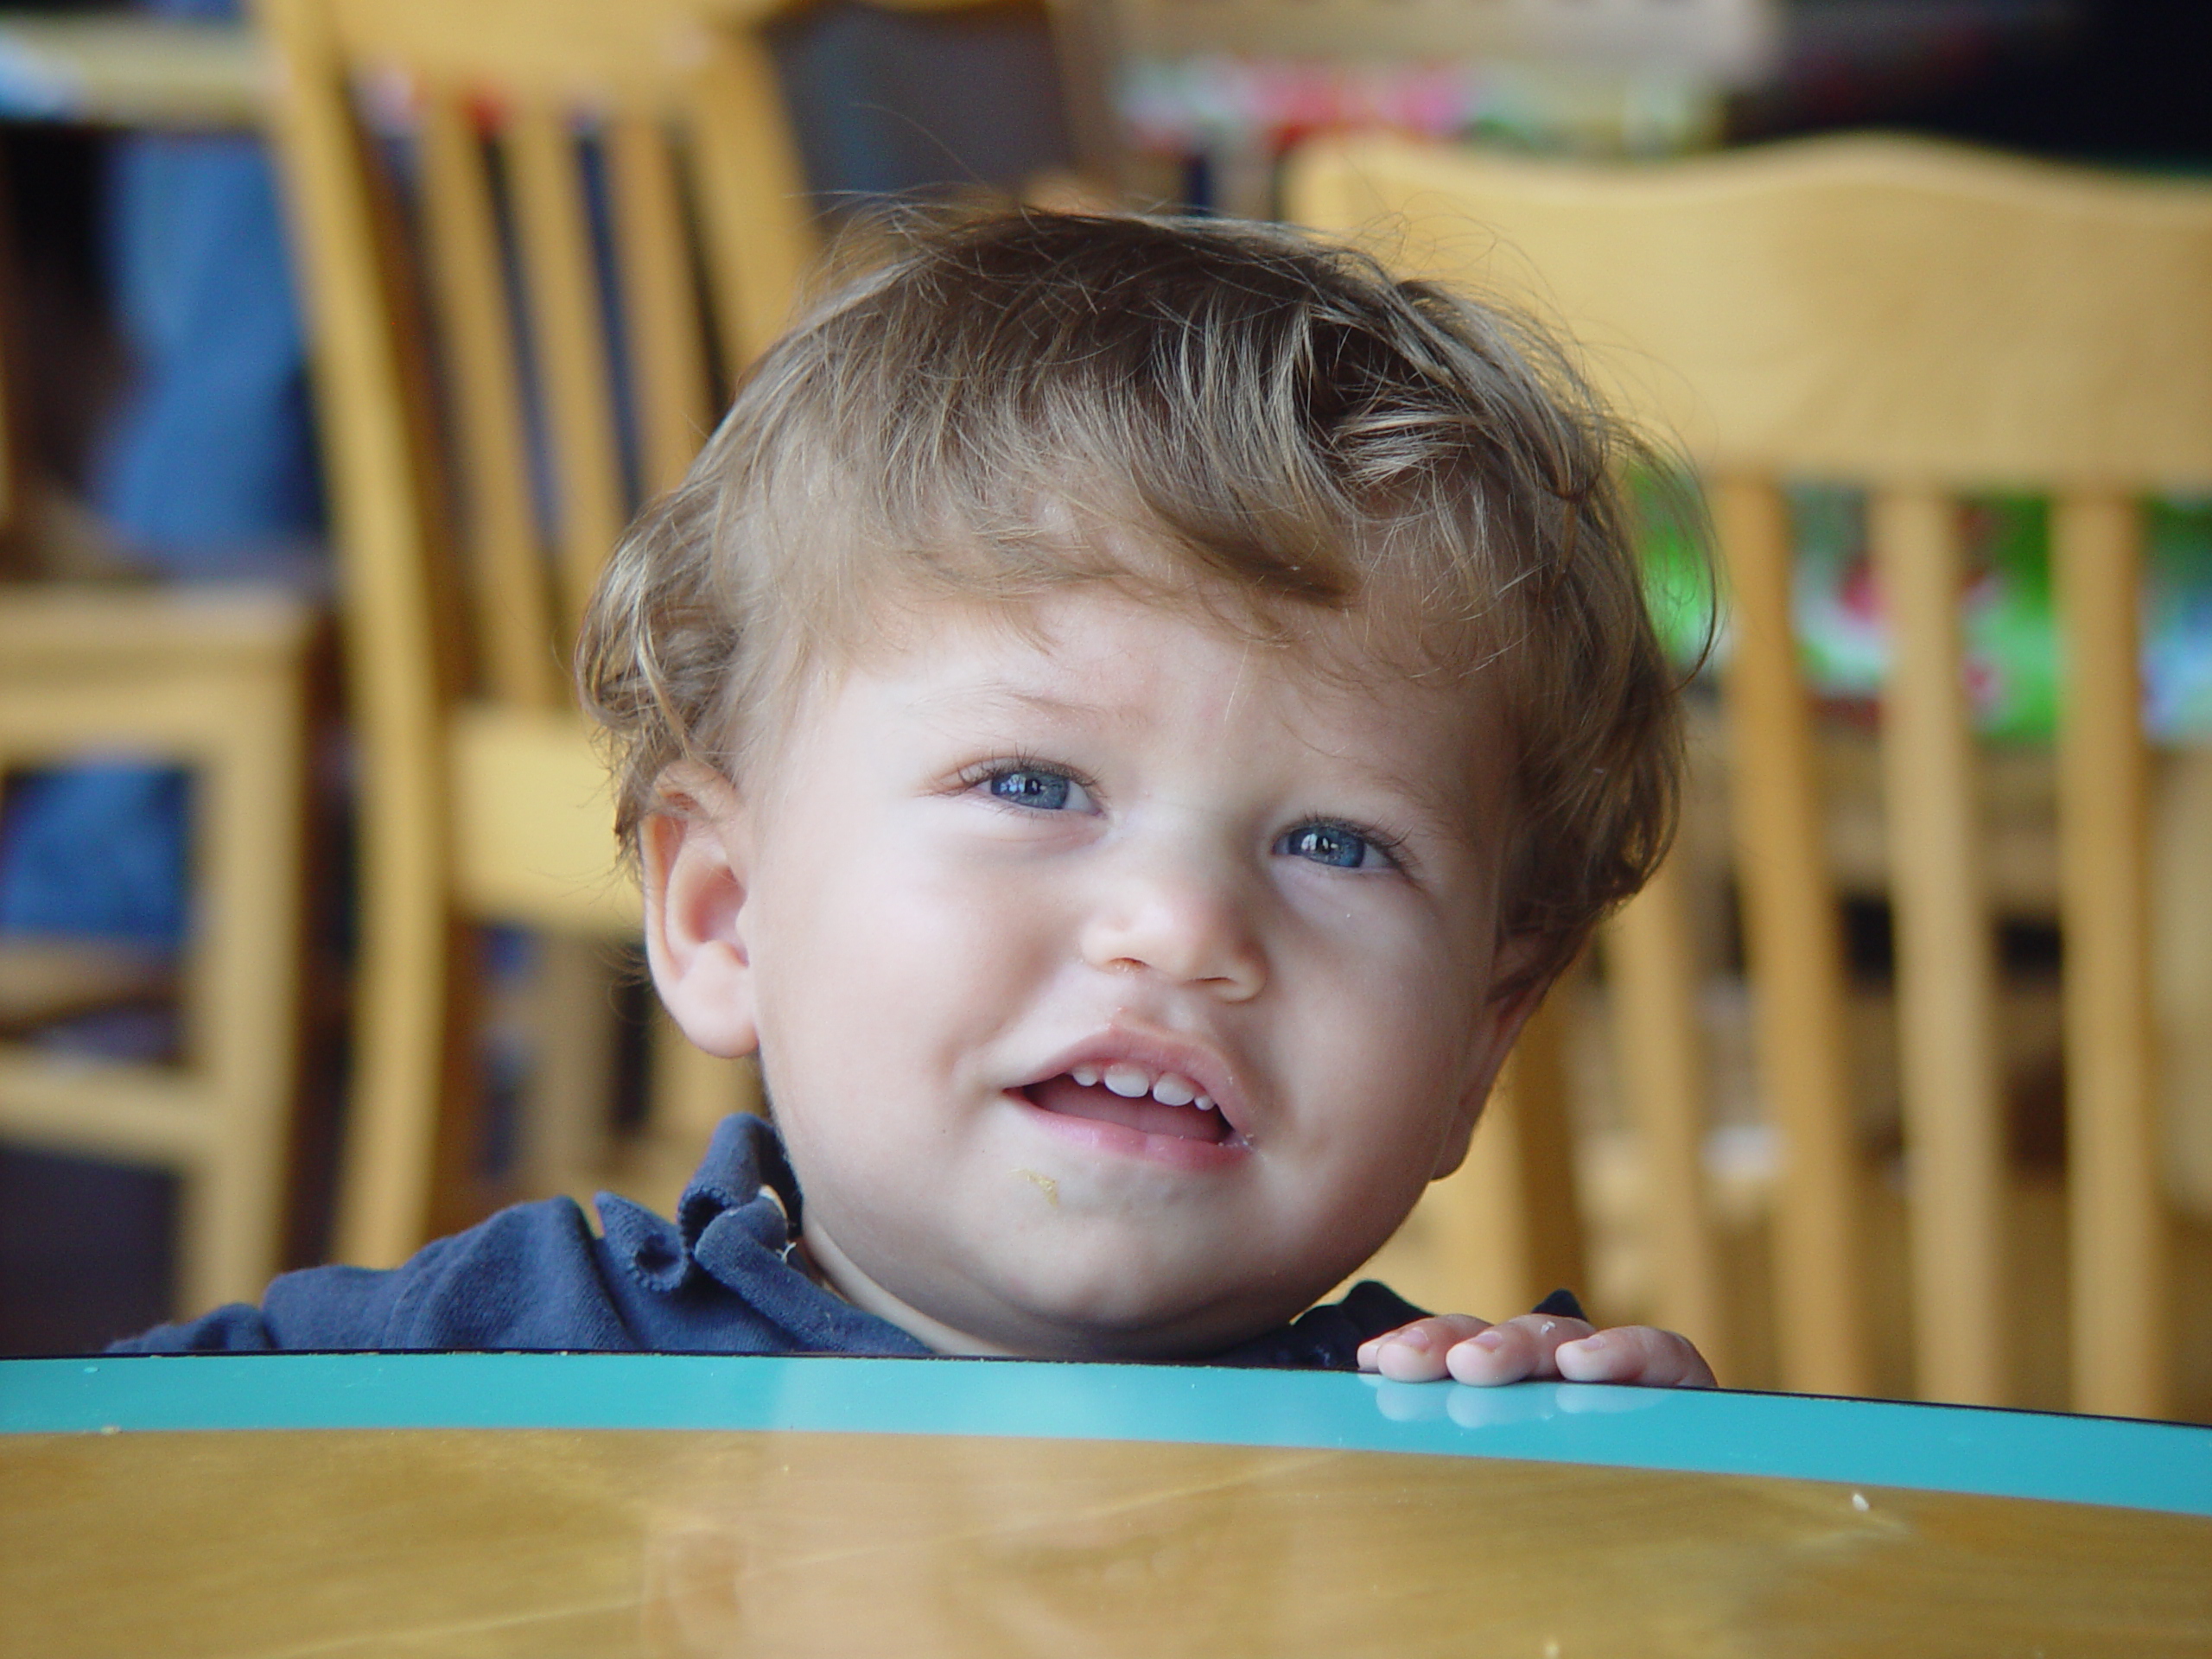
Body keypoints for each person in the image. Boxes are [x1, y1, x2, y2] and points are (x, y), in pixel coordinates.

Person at [117, 209, 1713, 1390]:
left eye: (1337, 843)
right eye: (1035, 784)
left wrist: (1661, 1530)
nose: (1181, 925)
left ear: (1479, 1048)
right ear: (725, 912)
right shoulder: (500, 1360)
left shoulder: (1455, 1445)